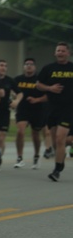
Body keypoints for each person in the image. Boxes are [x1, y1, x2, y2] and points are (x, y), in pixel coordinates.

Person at [35, 42, 73, 182]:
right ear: (55, 53)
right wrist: (50, 88)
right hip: (51, 108)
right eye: (58, 51)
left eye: (63, 51)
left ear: (68, 53)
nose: (61, 53)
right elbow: (38, 85)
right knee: (56, 143)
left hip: (68, 108)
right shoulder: (48, 68)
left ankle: (56, 170)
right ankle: (60, 160)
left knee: (59, 138)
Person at [13, 58, 45, 168]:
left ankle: (36, 156)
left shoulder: (39, 80)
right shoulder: (17, 80)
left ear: (35, 67)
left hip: (37, 110)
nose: (29, 66)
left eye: (31, 64)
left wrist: (37, 100)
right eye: (26, 64)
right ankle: (19, 157)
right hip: (22, 110)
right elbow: (12, 92)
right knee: (20, 131)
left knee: (36, 134)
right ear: (23, 66)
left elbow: (47, 95)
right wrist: (14, 100)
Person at [0, 59, 15, 171]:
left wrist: (16, 101)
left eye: (5, 66)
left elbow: (19, 93)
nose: (4, 68)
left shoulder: (9, 80)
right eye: (1, 65)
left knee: (1, 136)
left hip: (5, 111)